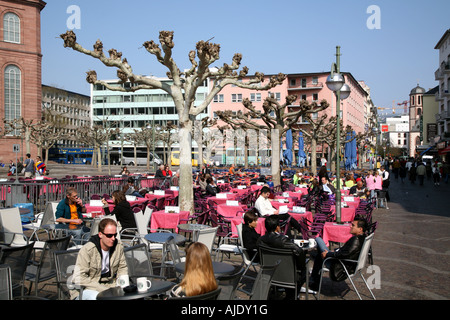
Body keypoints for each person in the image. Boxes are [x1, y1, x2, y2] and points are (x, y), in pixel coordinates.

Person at [72, 218, 128, 300]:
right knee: (97, 297)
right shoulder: (88, 249)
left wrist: (122, 283)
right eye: (109, 235)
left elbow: (122, 267)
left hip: (110, 285)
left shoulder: (118, 246)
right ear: (100, 234)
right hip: (86, 288)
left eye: (115, 235)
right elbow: (78, 277)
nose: (113, 238)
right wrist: (102, 289)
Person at [309, 217, 368, 291]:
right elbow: (346, 252)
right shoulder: (363, 238)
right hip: (347, 264)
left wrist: (328, 254)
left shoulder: (356, 240)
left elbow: (344, 254)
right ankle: (314, 280)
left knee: (318, 239)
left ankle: (314, 281)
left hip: (340, 266)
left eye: (353, 225)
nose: (350, 226)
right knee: (319, 255)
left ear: (360, 229)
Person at [256, 214, 306, 299]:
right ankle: (291, 296)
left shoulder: (260, 240)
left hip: (268, 273)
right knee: (302, 271)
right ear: (277, 227)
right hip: (287, 274)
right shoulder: (283, 240)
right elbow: (299, 252)